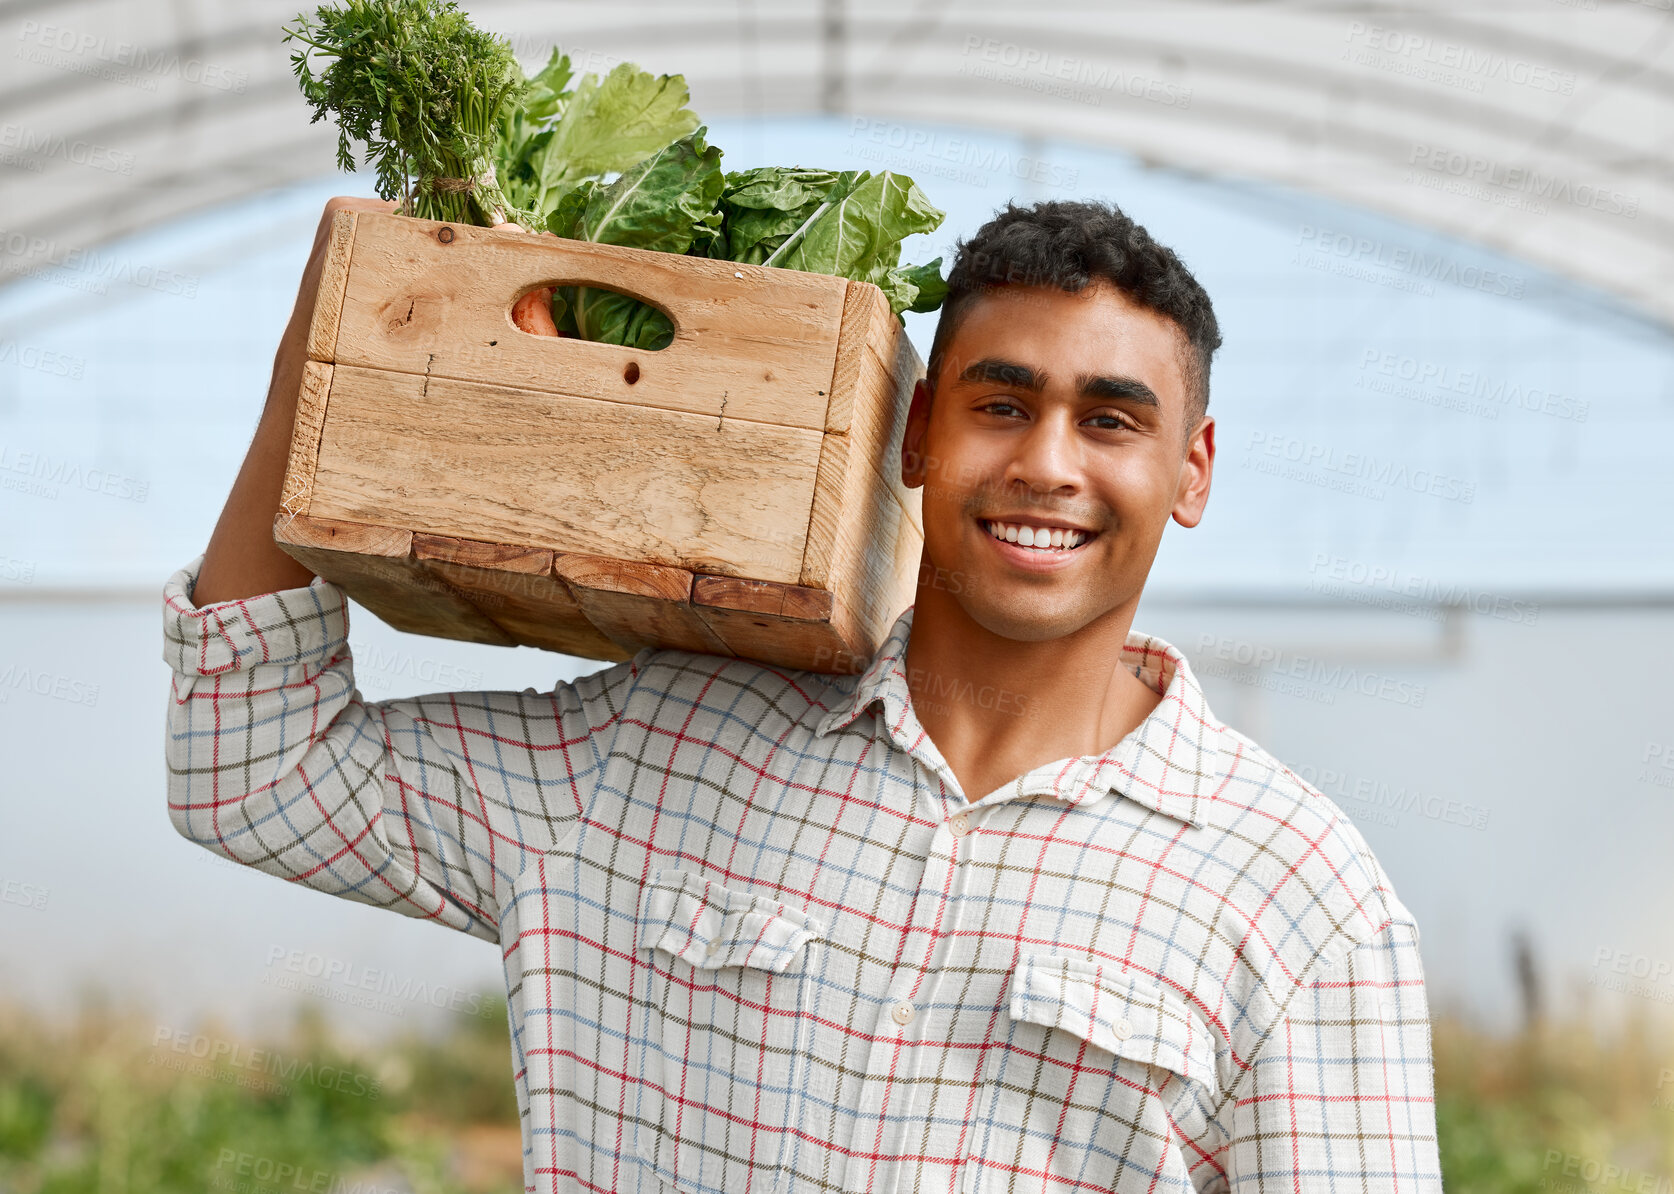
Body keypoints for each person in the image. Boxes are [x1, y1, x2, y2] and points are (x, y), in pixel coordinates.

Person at [163, 194, 1442, 1192]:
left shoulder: (1300, 903)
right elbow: (255, 773)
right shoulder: (661, 744)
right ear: (918, 435)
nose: (1047, 464)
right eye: (1003, 404)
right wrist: (320, 355)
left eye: (1111, 422)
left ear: (1192, 472)